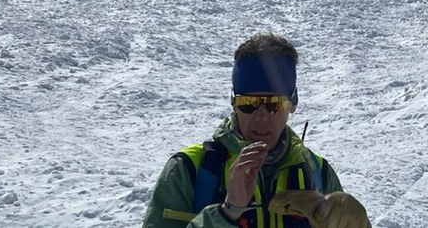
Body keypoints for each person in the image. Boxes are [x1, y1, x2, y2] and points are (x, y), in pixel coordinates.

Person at [142, 34, 368, 228]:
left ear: (293, 104)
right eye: (248, 102)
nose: (261, 116)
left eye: (274, 104)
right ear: (233, 103)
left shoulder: (319, 174)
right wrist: (227, 212)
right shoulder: (189, 171)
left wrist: (357, 223)